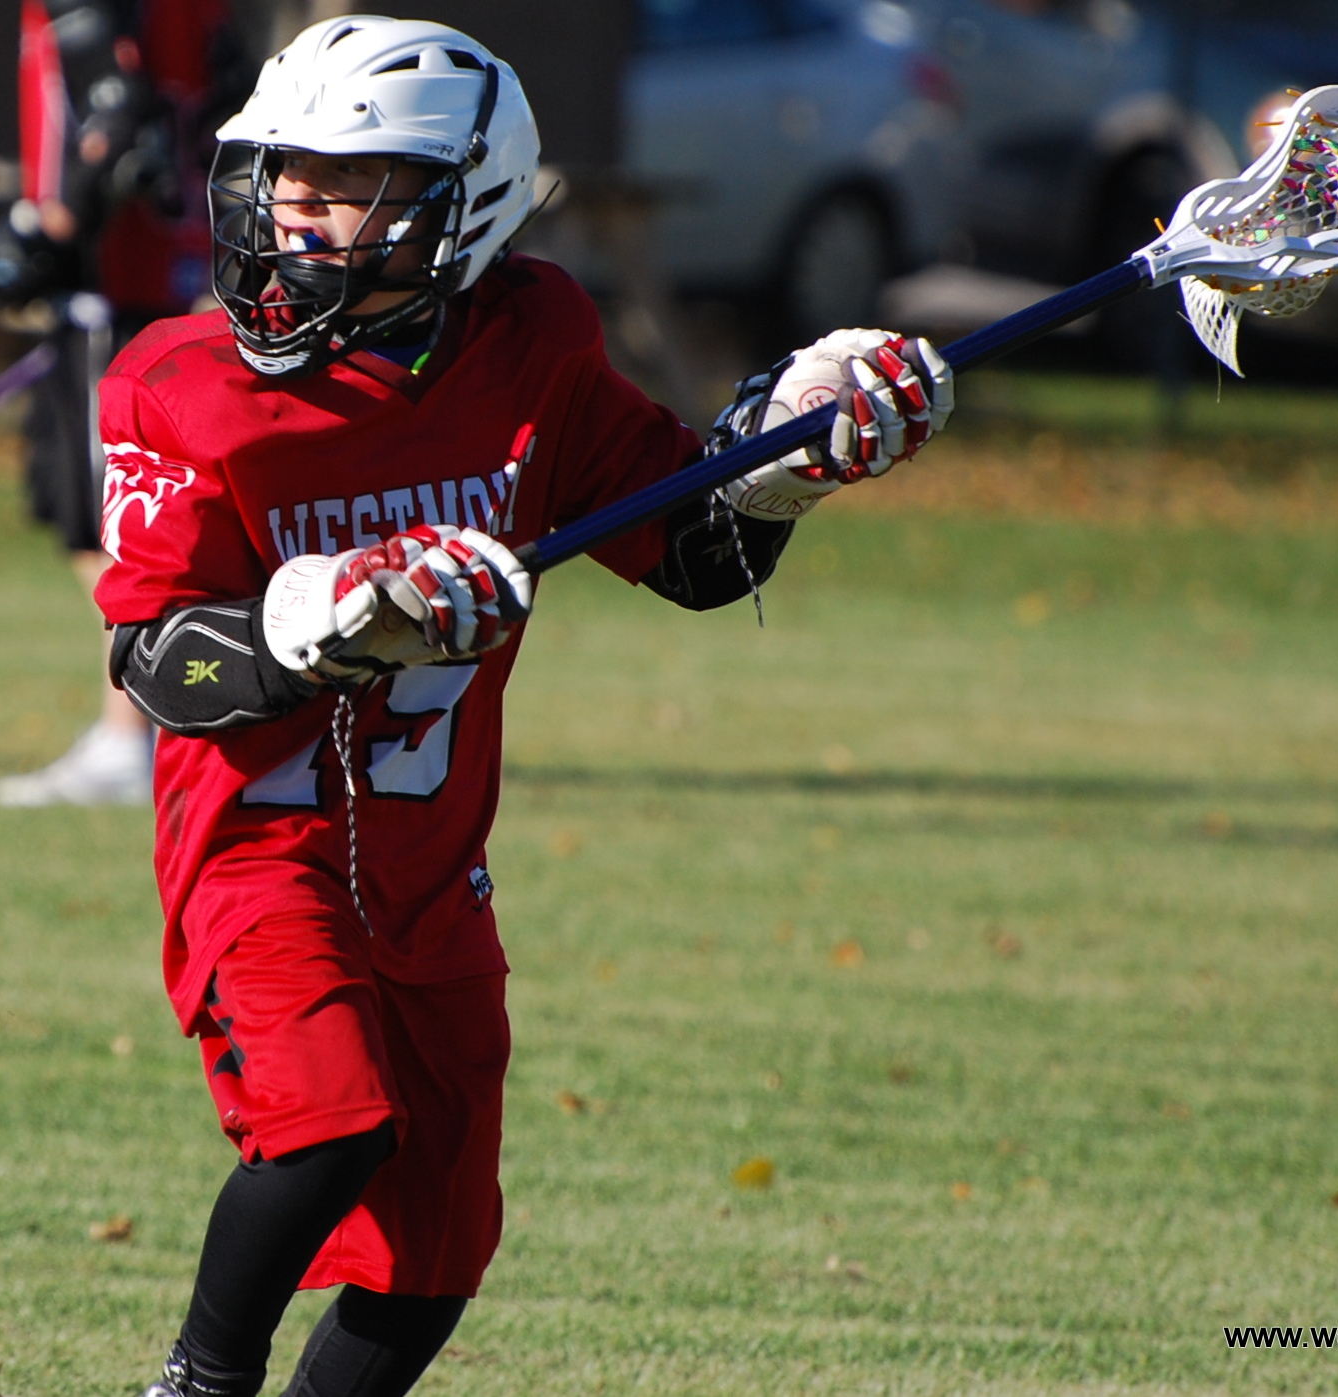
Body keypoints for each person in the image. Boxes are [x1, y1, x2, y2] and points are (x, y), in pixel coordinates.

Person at [93, 18, 953, 1397]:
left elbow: (691, 551)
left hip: (435, 870)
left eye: (348, 185)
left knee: (436, 1249)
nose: (298, 213)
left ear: (462, 207)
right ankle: (196, 1384)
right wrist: (320, 616)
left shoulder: (529, 344)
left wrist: (791, 453)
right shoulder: (181, 385)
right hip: (261, 847)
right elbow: (155, 662)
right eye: (287, 176)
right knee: (327, 1129)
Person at [0, 0, 250, 806]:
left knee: (117, 528)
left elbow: (117, 104)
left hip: (115, 278)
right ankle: (157, 717)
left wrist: (54, 227)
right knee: (87, 515)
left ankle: (134, 732)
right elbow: (230, 93)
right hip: (166, 269)